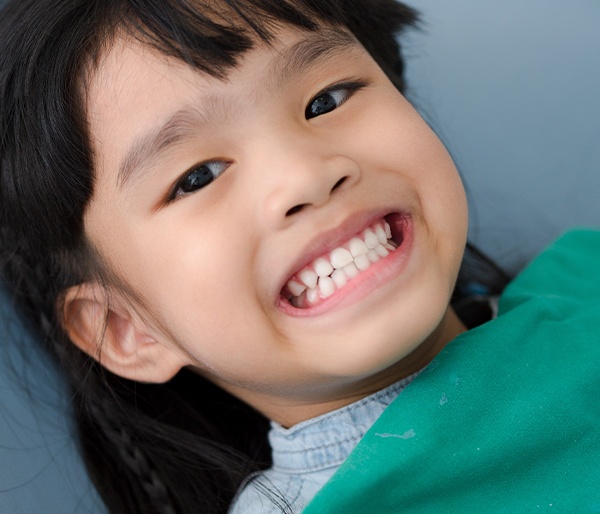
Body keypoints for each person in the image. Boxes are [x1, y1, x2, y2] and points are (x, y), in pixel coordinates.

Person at [0, 1, 598, 514]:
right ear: (125, 329)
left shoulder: (585, 278)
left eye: (326, 100)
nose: (306, 176)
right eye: (197, 177)